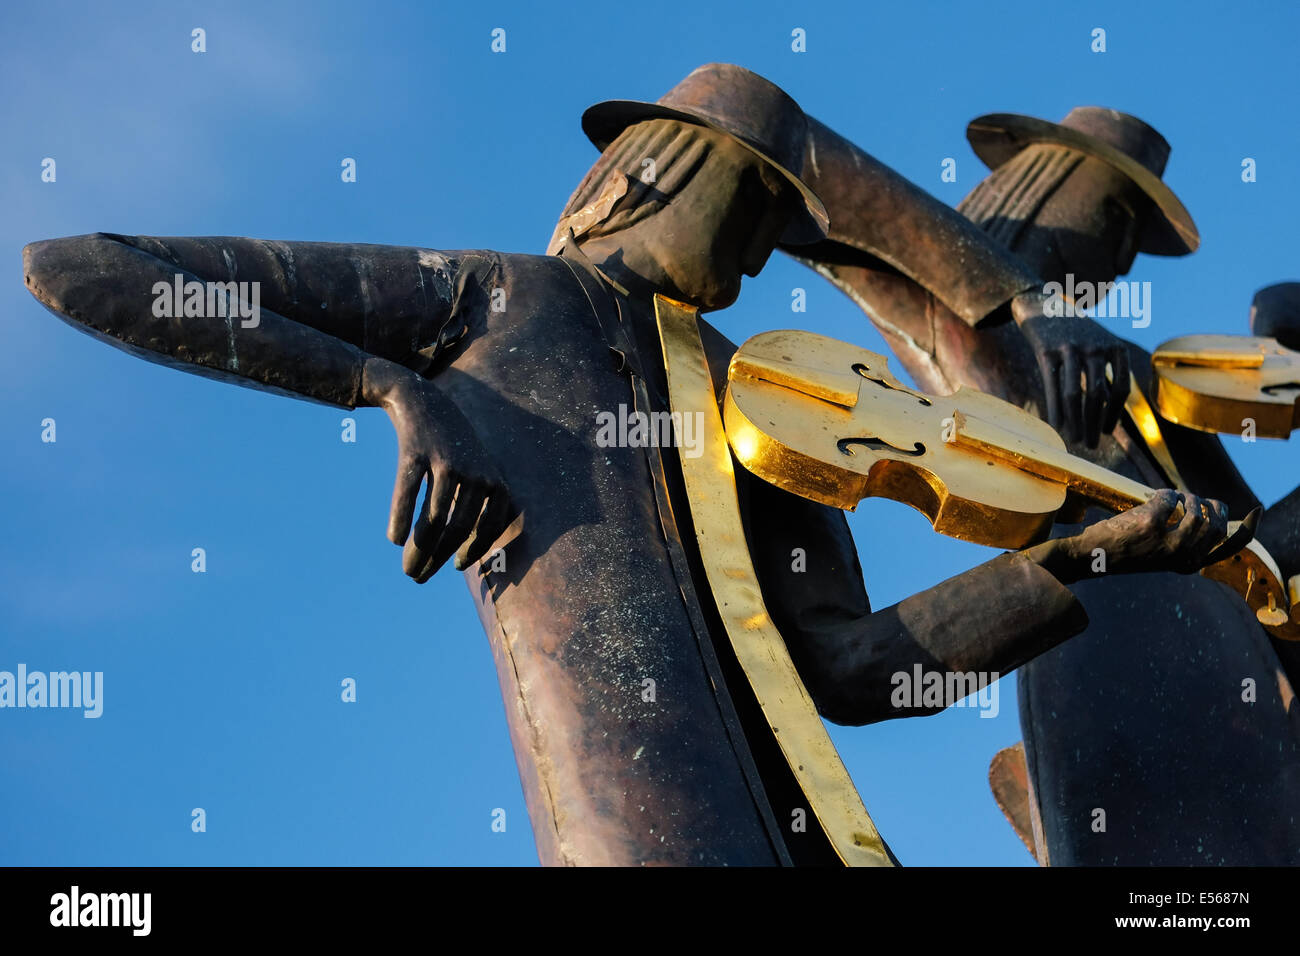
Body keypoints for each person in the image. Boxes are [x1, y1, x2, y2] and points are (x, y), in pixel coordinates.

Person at [20, 66, 1239, 866]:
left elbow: (856, 672)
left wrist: (1075, 560)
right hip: (638, 829)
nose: (770, 251)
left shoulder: (768, 394)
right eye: (754, 207)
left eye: (783, 221)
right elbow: (90, 266)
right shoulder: (502, 298)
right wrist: (389, 386)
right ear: (657, 172)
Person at [784, 105, 1300, 864]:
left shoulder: (1128, 365)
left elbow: (1246, 534)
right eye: (1117, 218)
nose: (1124, 262)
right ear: (1053, 185)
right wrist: (1033, 301)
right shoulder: (969, 317)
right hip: (1107, 628)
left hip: (1232, 656)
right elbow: (784, 143)